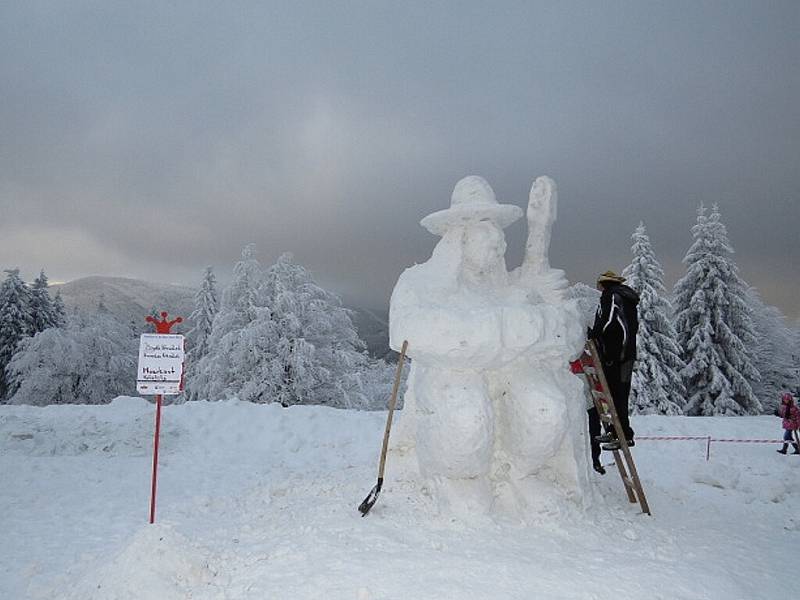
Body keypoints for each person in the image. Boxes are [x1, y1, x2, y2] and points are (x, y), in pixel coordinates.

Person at [588, 270, 639, 450]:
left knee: (617, 395)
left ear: (604, 283)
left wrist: (593, 333)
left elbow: (608, 321)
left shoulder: (611, 296)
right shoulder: (624, 298)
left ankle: (624, 435)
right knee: (616, 395)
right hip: (624, 353)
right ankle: (615, 431)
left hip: (617, 355)